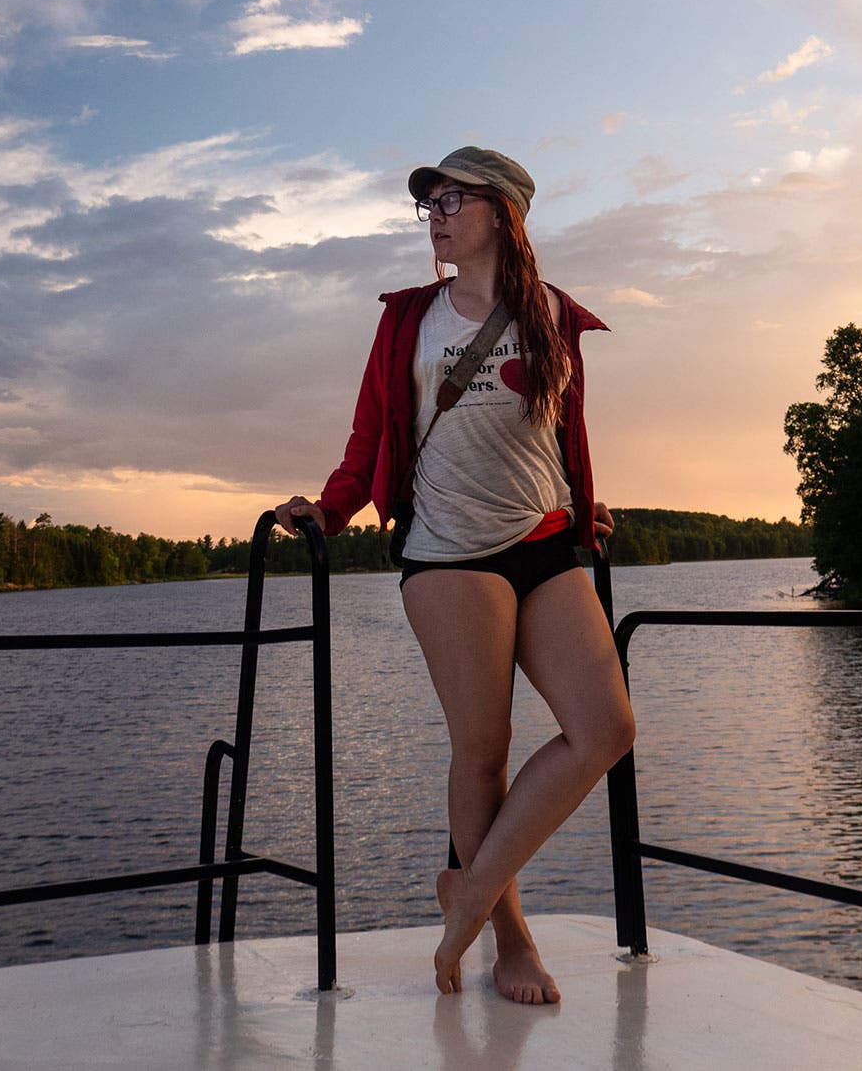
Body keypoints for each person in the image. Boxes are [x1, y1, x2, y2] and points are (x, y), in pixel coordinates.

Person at [272, 147, 635, 1005]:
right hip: (446, 549)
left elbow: (560, 430)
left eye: (452, 198)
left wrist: (588, 506)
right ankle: (508, 939)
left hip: (546, 539)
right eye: (427, 203)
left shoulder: (551, 313)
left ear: (504, 213)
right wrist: (331, 509)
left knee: (606, 726)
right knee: (483, 753)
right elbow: (369, 436)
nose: (435, 213)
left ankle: (466, 892)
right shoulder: (408, 321)